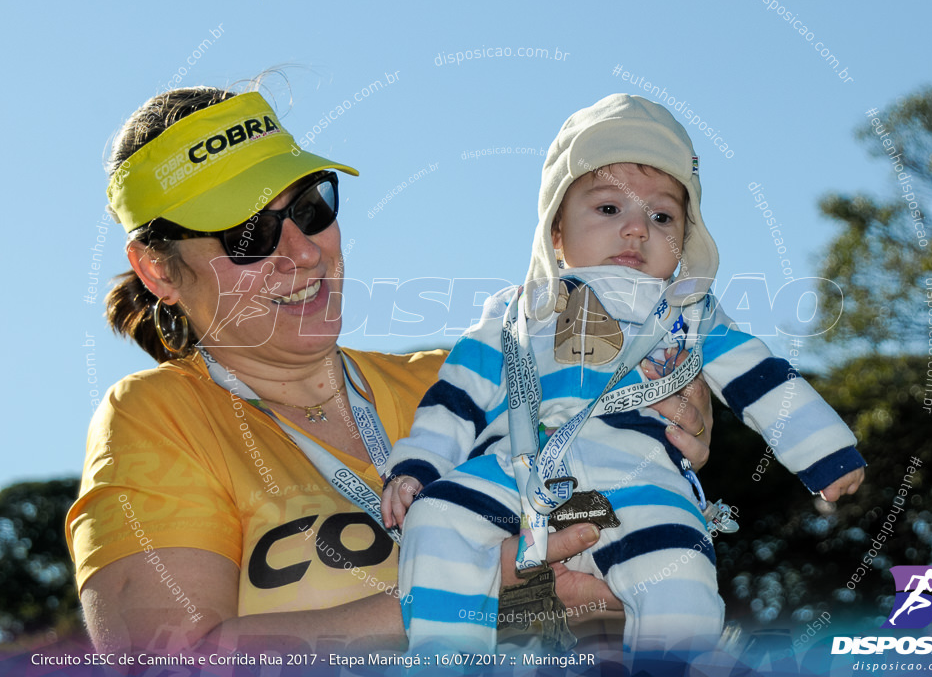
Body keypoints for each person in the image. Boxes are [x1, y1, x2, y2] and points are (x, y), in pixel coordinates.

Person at [64, 85, 715, 657]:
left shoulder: (459, 378)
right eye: (246, 234)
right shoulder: (160, 417)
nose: (302, 250)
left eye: (311, 208)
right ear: (156, 270)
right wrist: (477, 590)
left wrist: (667, 387)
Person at [382, 94, 866, 661]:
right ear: (556, 231)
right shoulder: (516, 313)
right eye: (609, 209)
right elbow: (456, 399)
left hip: (640, 476)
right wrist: (418, 468)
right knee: (438, 518)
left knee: (678, 570)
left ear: (685, 242)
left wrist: (825, 454)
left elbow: (760, 376)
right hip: (517, 471)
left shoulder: (690, 313)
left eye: (661, 217)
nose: (636, 230)